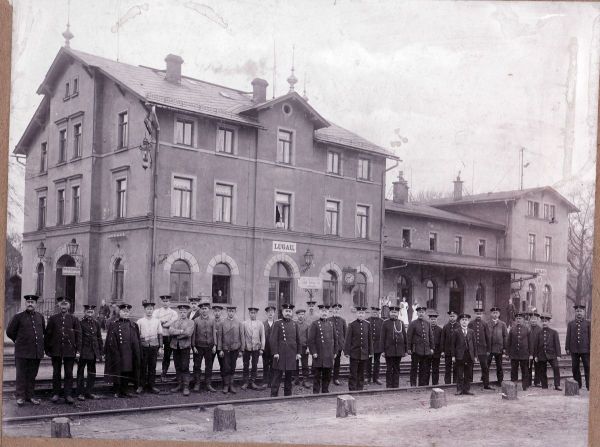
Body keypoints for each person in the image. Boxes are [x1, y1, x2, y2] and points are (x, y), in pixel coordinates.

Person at [6, 294, 45, 406]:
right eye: (28, 302)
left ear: (36, 304)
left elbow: (42, 331)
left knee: (32, 375)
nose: (30, 304)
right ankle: (20, 397)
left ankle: (30, 396)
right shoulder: (18, 317)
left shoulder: (40, 317)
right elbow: (9, 332)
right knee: (21, 375)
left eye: (32, 302)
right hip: (22, 352)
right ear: (25, 303)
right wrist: (18, 341)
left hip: (35, 352)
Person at [44, 296, 81, 404]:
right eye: (62, 304)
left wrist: (78, 350)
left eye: (66, 304)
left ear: (69, 306)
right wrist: (47, 349)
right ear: (59, 306)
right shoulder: (53, 318)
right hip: (56, 350)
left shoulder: (74, 319)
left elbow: (78, 335)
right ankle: (56, 394)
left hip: (70, 351)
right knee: (56, 372)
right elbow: (47, 335)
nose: (64, 305)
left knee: (69, 373)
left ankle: (68, 395)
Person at [104, 303, 142, 398]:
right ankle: (116, 390)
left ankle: (124, 390)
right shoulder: (114, 324)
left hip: (129, 353)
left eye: (127, 312)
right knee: (118, 370)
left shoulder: (133, 325)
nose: (125, 313)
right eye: (124, 312)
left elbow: (137, 339)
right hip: (118, 352)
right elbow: (109, 339)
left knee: (127, 371)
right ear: (119, 312)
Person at [270, 303, 301, 396]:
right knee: (277, 377)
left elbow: (298, 340)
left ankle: (288, 396)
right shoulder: (277, 324)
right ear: (282, 312)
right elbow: (273, 339)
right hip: (280, 355)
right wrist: (275, 352)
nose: (288, 313)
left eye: (289, 311)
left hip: (291, 354)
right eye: (286, 311)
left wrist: (298, 353)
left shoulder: (295, 324)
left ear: (292, 313)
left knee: (289, 377)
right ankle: (273, 395)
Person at [308, 305, 337, 394]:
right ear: (319, 312)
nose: (324, 313)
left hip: (329, 354)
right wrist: (314, 352)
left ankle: (325, 391)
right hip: (318, 354)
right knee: (317, 375)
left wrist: (335, 351)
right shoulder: (315, 324)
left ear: (328, 313)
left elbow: (335, 339)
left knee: (327, 375)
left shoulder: (331, 324)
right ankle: (316, 393)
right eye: (322, 311)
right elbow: (311, 340)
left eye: (326, 311)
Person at [77, 304, 103, 401]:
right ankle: (80, 393)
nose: (90, 314)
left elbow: (99, 338)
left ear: (94, 313)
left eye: (91, 312)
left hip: (93, 352)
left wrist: (100, 352)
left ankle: (89, 392)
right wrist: (78, 351)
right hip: (83, 352)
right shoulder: (80, 323)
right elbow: (78, 338)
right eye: (88, 312)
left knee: (92, 373)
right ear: (84, 312)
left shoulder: (96, 323)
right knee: (80, 373)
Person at [136, 300, 162, 394]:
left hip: (154, 347)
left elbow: (160, 334)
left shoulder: (157, 321)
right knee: (143, 366)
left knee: (152, 367)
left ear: (153, 310)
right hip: (144, 347)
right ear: (144, 310)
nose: (149, 311)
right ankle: (141, 385)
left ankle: (152, 385)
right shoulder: (140, 321)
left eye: (151, 309)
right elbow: (137, 335)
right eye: (147, 309)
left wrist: (160, 346)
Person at [344, 306, 373, 391]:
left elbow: (369, 339)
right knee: (353, 373)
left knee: (361, 373)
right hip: (354, 353)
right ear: (356, 314)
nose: (361, 314)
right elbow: (348, 339)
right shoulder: (352, 324)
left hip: (364, 353)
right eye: (359, 313)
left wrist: (371, 351)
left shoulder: (367, 324)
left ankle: (360, 388)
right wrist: (347, 352)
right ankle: (352, 389)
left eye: (362, 313)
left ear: (364, 314)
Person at [169, 303, 195, 396]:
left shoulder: (191, 322)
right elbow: (170, 331)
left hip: (185, 347)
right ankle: (179, 385)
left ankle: (186, 387)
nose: (183, 313)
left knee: (185, 367)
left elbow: (188, 333)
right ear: (179, 312)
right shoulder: (175, 322)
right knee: (177, 366)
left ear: (187, 312)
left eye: (184, 312)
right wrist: (181, 332)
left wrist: (177, 335)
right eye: (181, 312)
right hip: (175, 347)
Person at [191, 300, 217, 392]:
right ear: (200, 310)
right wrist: (193, 346)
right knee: (197, 365)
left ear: (208, 309)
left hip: (209, 346)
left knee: (209, 365)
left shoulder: (212, 320)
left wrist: (215, 345)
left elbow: (214, 333)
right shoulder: (196, 320)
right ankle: (197, 383)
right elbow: (193, 334)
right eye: (202, 309)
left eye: (205, 308)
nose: (204, 310)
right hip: (198, 347)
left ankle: (208, 384)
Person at [217, 305, 243, 394]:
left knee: (233, 367)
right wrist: (220, 349)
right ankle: (226, 385)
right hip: (225, 348)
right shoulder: (222, 323)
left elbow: (241, 337)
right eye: (229, 311)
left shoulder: (239, 323)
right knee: (226, 367)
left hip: (235, 349)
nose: (231, 313)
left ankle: (231, 385)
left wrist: (241, 350)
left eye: (232, 311)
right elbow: (219, 337)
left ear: (235, 312)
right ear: (227, 312)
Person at [533, 312, 562, 391]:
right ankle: (544, 385)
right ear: (541, 322)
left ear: (549, 322)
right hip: (541, 355)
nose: (544, 323)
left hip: (552, 355)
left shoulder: (554, 332)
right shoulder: (538, 333)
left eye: (546, 321)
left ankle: (557, 385)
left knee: (556, 367)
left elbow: (557, 344)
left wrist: (559, 355)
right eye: (543, 321)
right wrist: (535, 355)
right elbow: (536, 345)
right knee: (542, 370)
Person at [379, 305, 407, 388]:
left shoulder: (401, 323)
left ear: (398, 313)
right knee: (389, 369)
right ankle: (389, 385)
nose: (394, 314)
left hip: (399, 350)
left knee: (397, 368)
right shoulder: (385, 323)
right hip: (389, 350)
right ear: (389, 313)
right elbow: (382, 337)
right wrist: (383, 351)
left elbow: (405, 337)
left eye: (395, 312)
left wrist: (405, 350)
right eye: (392, 312)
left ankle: (396, 385)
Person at [152, 295, 179, 382]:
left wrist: (162, 322)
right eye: (164, 301)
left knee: (167, 356)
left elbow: (172, 323)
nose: (165, 303)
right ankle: (152, 374)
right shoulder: (156, 311)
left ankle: (164, 374)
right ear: (161, 302)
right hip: (158, 335)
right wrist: (164, 322)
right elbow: (154, 321)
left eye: (167, 301)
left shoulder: (174, 313)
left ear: (170, 302)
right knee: (154, 354)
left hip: (168, 336)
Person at [406, 305, 434, 386]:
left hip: (426, 350)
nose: (421, 314)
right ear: (417, 313)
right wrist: (408, 348)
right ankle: (413, 384)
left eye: (422, 312)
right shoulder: (413, 323)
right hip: (416, 350)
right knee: (414, 368)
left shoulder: (427, 323)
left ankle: (422, 384)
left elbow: (430, 336)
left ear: (425, 313)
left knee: (423, 368)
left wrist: (432, 348)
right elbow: (409, 337)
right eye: (419, 312)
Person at [566, 304, 590, 390]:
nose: (579, 313)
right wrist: (567, 347)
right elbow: (568, 336)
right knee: (575, 368)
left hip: (585, 349)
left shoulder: (588, 323)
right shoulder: (571, 324)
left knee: (587, 367)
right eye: (577, 311)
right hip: (574, 349)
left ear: (584, 312)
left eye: (580, 311)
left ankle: (589, 386)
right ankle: (577, 385)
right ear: (575, 313)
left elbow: (590, 336)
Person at [241, 306, 266, 390]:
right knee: (245, 365)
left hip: (256, 347)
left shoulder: (260, 324)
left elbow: (262, 336)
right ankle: (246, 382)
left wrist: (262, 348)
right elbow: (242, 336)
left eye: (254, 313)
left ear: (256, 314)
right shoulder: (244, 323)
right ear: (249, 313)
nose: (253, 314)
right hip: (246, 347)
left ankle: (253, 381)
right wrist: (242, 348)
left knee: (254, 365)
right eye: (251, 313)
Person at [468, 306, 493, 390]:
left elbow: (488, 337)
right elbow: (468, 337)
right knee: (470, 366)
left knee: (485, 367)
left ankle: (486, 384)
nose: (478, 315)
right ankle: (469, 383)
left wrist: (489, 349)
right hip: (473, 349)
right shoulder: (471, 323)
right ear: (474, 314)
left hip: (483, 349)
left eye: (480, 314)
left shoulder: (484, 324)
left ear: (482, 315)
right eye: (477, 314)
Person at [507, 312, 532, 391]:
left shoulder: (527, 329)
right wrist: (508, 353)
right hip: (514, 354)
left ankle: (525, 386)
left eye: (520, 318)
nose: (518, 320)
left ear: (523, 320)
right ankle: (513, 385)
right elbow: (509, 342)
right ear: (515, 320)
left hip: (524, 354)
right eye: (517, 319)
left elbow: (530, 342)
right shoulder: (512, 329)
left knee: (525, 370)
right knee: (514, 370)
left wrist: (531, 354)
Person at [452, 313, 476, 396]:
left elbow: (474, 344)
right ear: (459, 321)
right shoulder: (456, 331)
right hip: (460, 356)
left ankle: (466, 389)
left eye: (466, 320)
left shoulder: (471, 332)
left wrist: (475, 356)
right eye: (462, 320)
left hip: (469, 355)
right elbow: (453, 345)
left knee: (468, 373)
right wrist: (453, 356)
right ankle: (459, 389)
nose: (464, 321)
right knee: (459, 373)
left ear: (468, 321)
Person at [487, 306, 508, 387]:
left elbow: (505, 336)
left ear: (499, 314)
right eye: (493, 313)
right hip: (489, 348)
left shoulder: (503, 324)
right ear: (491, 314)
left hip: (499, 348)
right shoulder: (487, 323)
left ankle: (500, 381)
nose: (495, 315)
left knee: (499, 365)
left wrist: (505, 348)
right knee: (486, 365)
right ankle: (485, 380)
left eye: (497, 313)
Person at [329, 303, 347, 385]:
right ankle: (327, 377)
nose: (336, 310)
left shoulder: (343, 320)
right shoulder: (329, 319)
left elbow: (345, 334)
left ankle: (336, 378)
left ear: (340, 310)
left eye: (338, 309)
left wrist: (344, 345)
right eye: (335, 309)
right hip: (329, 345)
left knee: (337, 363)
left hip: (339, 346)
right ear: (332, 310)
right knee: (328, 362)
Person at [366, 306, 384, 385]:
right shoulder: (367, 321)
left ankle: (376, 378)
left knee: (377, 362)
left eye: (376, 312)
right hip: (369, 345)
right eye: (373, 312)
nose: (375, 313)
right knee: (368, 362)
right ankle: (368, 378)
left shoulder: (382, 321)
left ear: (378, 313)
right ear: (371, 312)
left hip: (378, 345)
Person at [294, 308, 311, 388]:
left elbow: (309, 338)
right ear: (297, 315)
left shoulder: (307, 325)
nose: (301, 316)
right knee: (295, 364)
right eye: (299, 314)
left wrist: (308, 348)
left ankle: (305, 380)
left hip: (304, 347)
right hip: (295, 348)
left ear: (304, 315)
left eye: (302, 314)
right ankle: (296, 379)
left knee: (305, 364)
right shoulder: (293, 324)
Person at [441, 310, 459, 384]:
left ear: (456, 317)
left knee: (456, 368)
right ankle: (447, 383)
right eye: (451, 316)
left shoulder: (459, 326)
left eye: (453, 316)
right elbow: (442, 339)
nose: (452, 318)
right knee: (447, 368)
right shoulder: (445, 327)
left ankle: (455, 382)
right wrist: (442, 351)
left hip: (456, 352)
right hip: (447, 351)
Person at [211, 305, 226, 388]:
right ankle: (208, 383)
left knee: (223, 365)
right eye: (215, 311)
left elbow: (225, 336)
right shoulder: (211, 321)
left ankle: (225, 383)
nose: (217, 313)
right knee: (209, 364)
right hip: (212, 347)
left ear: (221, 312)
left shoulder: (224, 322)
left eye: (218, 311)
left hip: (221, 347)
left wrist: (222, 348)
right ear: (213, 312)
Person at [262, 305, 277, 386]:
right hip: (265, 349)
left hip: (274, 349)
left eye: (272, 312)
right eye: (268, 312)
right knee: (265, 366)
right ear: (266, 314)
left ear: (274, 313)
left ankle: (272, 382)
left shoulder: (277, 324)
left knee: (273, 366)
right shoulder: (263, 324)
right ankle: (265, 382)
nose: (270, 314)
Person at [428, 310, 443, 386]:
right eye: (431, 319)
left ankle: (435, 383)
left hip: (436, 352)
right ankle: (425, 383)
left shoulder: (440, 330)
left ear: (436, 320)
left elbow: (441, 342)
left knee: (435, 369)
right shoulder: (426, 328)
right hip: (427, 352)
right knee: (426, 368)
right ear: (429, 320)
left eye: (434, 319)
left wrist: (441, 351)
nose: (433, 321)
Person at [528, 312, 543, 387]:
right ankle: (528, 382)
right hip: (528, 352)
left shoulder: (540, 329)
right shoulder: (527, 328)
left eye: (535, 319)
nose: (533, 321)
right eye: (532, 319)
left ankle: (537, 382)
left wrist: (538, 354)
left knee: (538, 367)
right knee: (528, 367)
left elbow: (541, 343)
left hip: (537, 352)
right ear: (529, 320)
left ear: (537, 320)